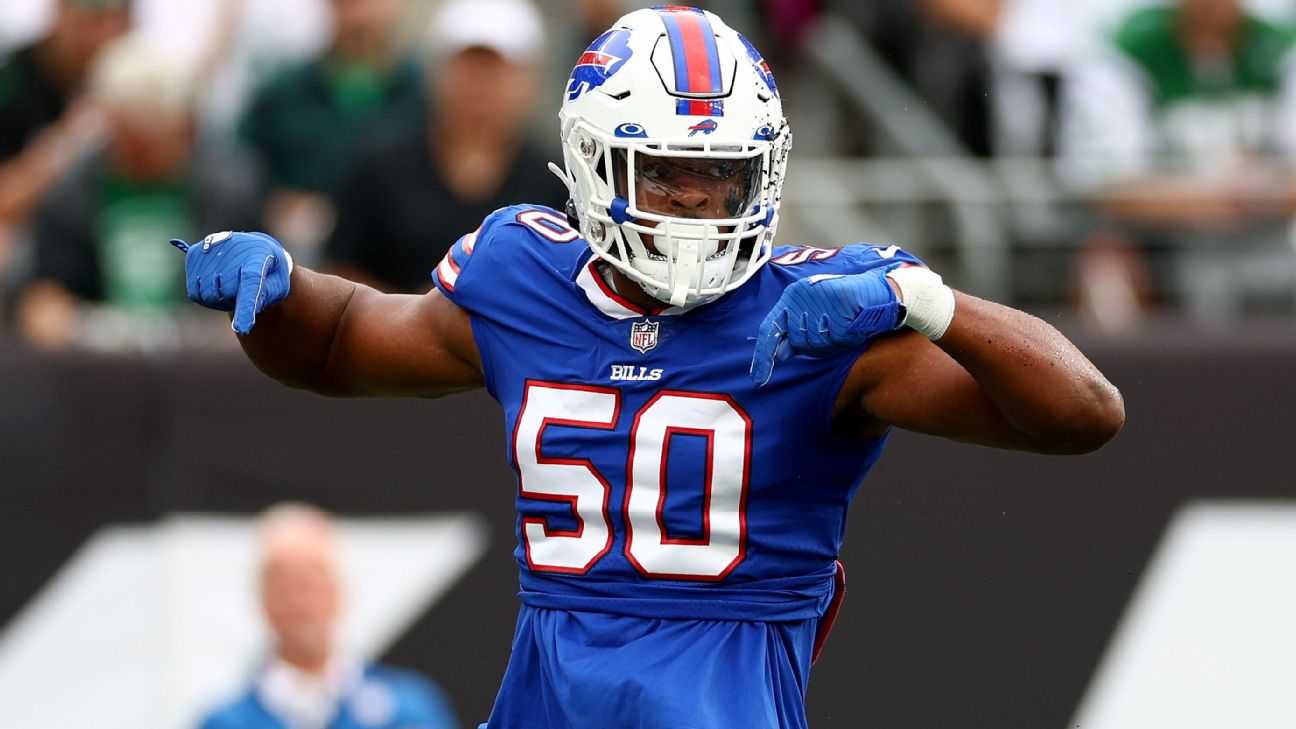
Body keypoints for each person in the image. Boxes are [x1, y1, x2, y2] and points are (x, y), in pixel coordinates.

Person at [173, 7, 1124, 728]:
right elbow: (340, 343)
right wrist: (280, 288)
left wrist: (937, 303)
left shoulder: (823, 324)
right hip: (545, 693)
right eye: (666, 173)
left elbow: (1084, 412)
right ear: (594, 164)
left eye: (723, 179)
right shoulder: (522, 277)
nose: (698, 206)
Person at [16, 34, 263, 350]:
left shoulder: (232, 190)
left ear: (187, 127)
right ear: (109, 126)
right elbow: (44, 301)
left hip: (201, 362)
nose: (144, 153)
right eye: (132, 139)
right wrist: (67, 322)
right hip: (95, 360)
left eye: (157, 136)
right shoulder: (71, 193)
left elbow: (257, 294)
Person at [1059, 0, 1296, 327]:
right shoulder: (1125, 48)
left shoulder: (1281, 43)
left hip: (1266, 233)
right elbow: (1104, 183)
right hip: (1162, 239)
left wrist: (1253, 191)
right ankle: (1126, 371)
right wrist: (1218, 191)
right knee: (1106, 261)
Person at [324, 0, 566, 293]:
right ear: (437, 73)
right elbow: (341, 271)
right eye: (467, 68)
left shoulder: (556, 181)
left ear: (529, 80)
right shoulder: (380, 166)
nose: (480, 87)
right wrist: (414, 320)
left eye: (495, 71)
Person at [199, 503, 460, 729]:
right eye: (283, 585)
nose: (300, 601)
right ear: (262, 598)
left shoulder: (410, 709)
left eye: (313, 582)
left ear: (339, 591)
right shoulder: (226, 723)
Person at [240, 0, 425, 262]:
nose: (362, 13)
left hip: (399, 263)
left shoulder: (426, 93)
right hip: (297, 257)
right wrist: (275, 204)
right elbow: (242, 173)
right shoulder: (281, 93)